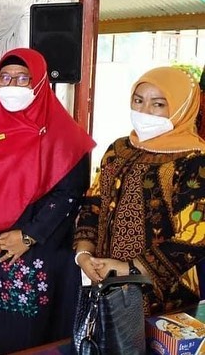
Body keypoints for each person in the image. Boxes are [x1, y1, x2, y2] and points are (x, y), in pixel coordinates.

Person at [0, 48, 95, 354]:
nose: (12, 85)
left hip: (40, 248)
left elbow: (70, 193)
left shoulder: (65, 134)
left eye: (22, 78)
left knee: (35, 338)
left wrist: (29, 236)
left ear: (40, 82)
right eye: (5, 78)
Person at [75, 66, 205, 316]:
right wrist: (83, 253)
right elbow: (94, 201)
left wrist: (130, 268)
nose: (144, 111)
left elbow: (196, 235)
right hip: (105, 282)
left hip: (164, 295)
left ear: (181, 107)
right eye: (138, 101)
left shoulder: (194, 161)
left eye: (158, 104)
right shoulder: (118, 150)